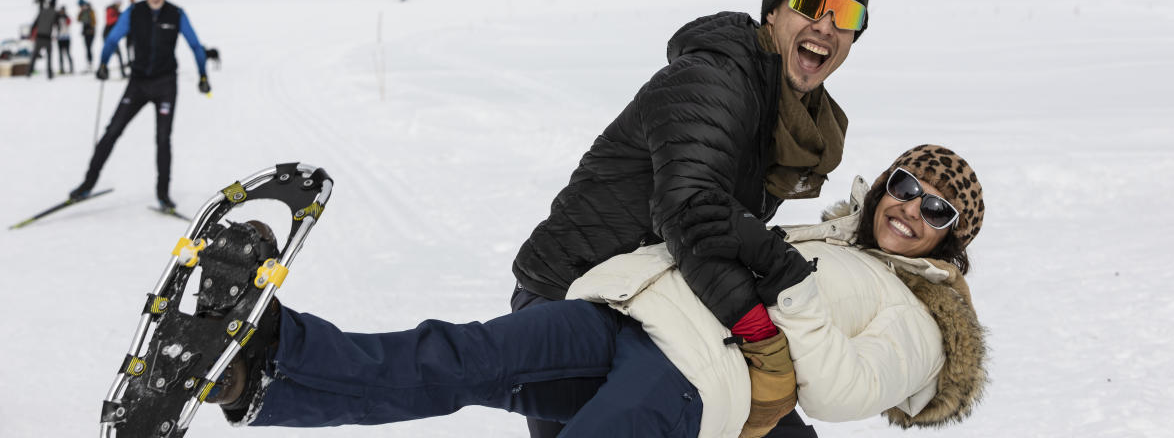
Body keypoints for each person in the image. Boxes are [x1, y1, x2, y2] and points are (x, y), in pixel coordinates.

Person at [200, 145, 987, 438]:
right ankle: (262, 362)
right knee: (456, 356)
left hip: (689, 376)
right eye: (907, 184)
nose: (911, 207)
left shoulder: (922, 322)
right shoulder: (831, 235)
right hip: (624, 313)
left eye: (936, 208)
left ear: (954, 238)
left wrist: (790, 289)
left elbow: (845, 393)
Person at [510, 0, 869, 438]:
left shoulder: (794, 120)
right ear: (774, 10)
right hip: (570, 297)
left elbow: (725, 230)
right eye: (812, 2)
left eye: (849, 14)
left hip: (660, 297)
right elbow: (689, 212)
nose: (827, 24)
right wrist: (757, 335)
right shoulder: (716, 81)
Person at [67, 0, 211, 210]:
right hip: (139, 83)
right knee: (112, 130)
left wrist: (203, 75)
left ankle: (163, 195)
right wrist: (103, 63)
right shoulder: (134, 12)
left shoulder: (176, 14)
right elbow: (113, 39)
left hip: (165, 84)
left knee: (163, 139)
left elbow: (195, 45)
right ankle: (87, 184)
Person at [28, 0, 58, 79]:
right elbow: (57, 24)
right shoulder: (55, 12)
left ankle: (29, 72)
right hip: (47, 38)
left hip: (39, 37)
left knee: (34, 56)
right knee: (49, 57)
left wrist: (31, 34)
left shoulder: (42, 11)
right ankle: (49, 74)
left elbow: (35, 23)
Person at [102, 0, 127, 78]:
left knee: (118, 54)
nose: (120, 5)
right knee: (108, 54)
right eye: (119, 3)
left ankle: (122, 72)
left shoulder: (117, 11)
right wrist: (119, 18)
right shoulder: (110, 10)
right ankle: (103, 72)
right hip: (107, 36)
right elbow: (109, 21)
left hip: (113, 37)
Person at [78, 0, 98, 71]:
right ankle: (89, 63)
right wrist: (81, 11)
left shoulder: (91, 12)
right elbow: (78, 19)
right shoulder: (83, 12)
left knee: (89, 47)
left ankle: (90, 63)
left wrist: (91, 29)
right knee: (87, 48)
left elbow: (94, 21)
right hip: (85, 33)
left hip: (91, 32)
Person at [55, 5, 74, 75]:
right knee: (60, 55)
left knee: (68, 53)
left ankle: (71, 68)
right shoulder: (57, 18)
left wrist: (65, 17)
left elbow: (69, 22)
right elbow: (55, 25)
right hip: (60, 38)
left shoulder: (67, 17)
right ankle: (62, 69)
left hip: (66, 38)